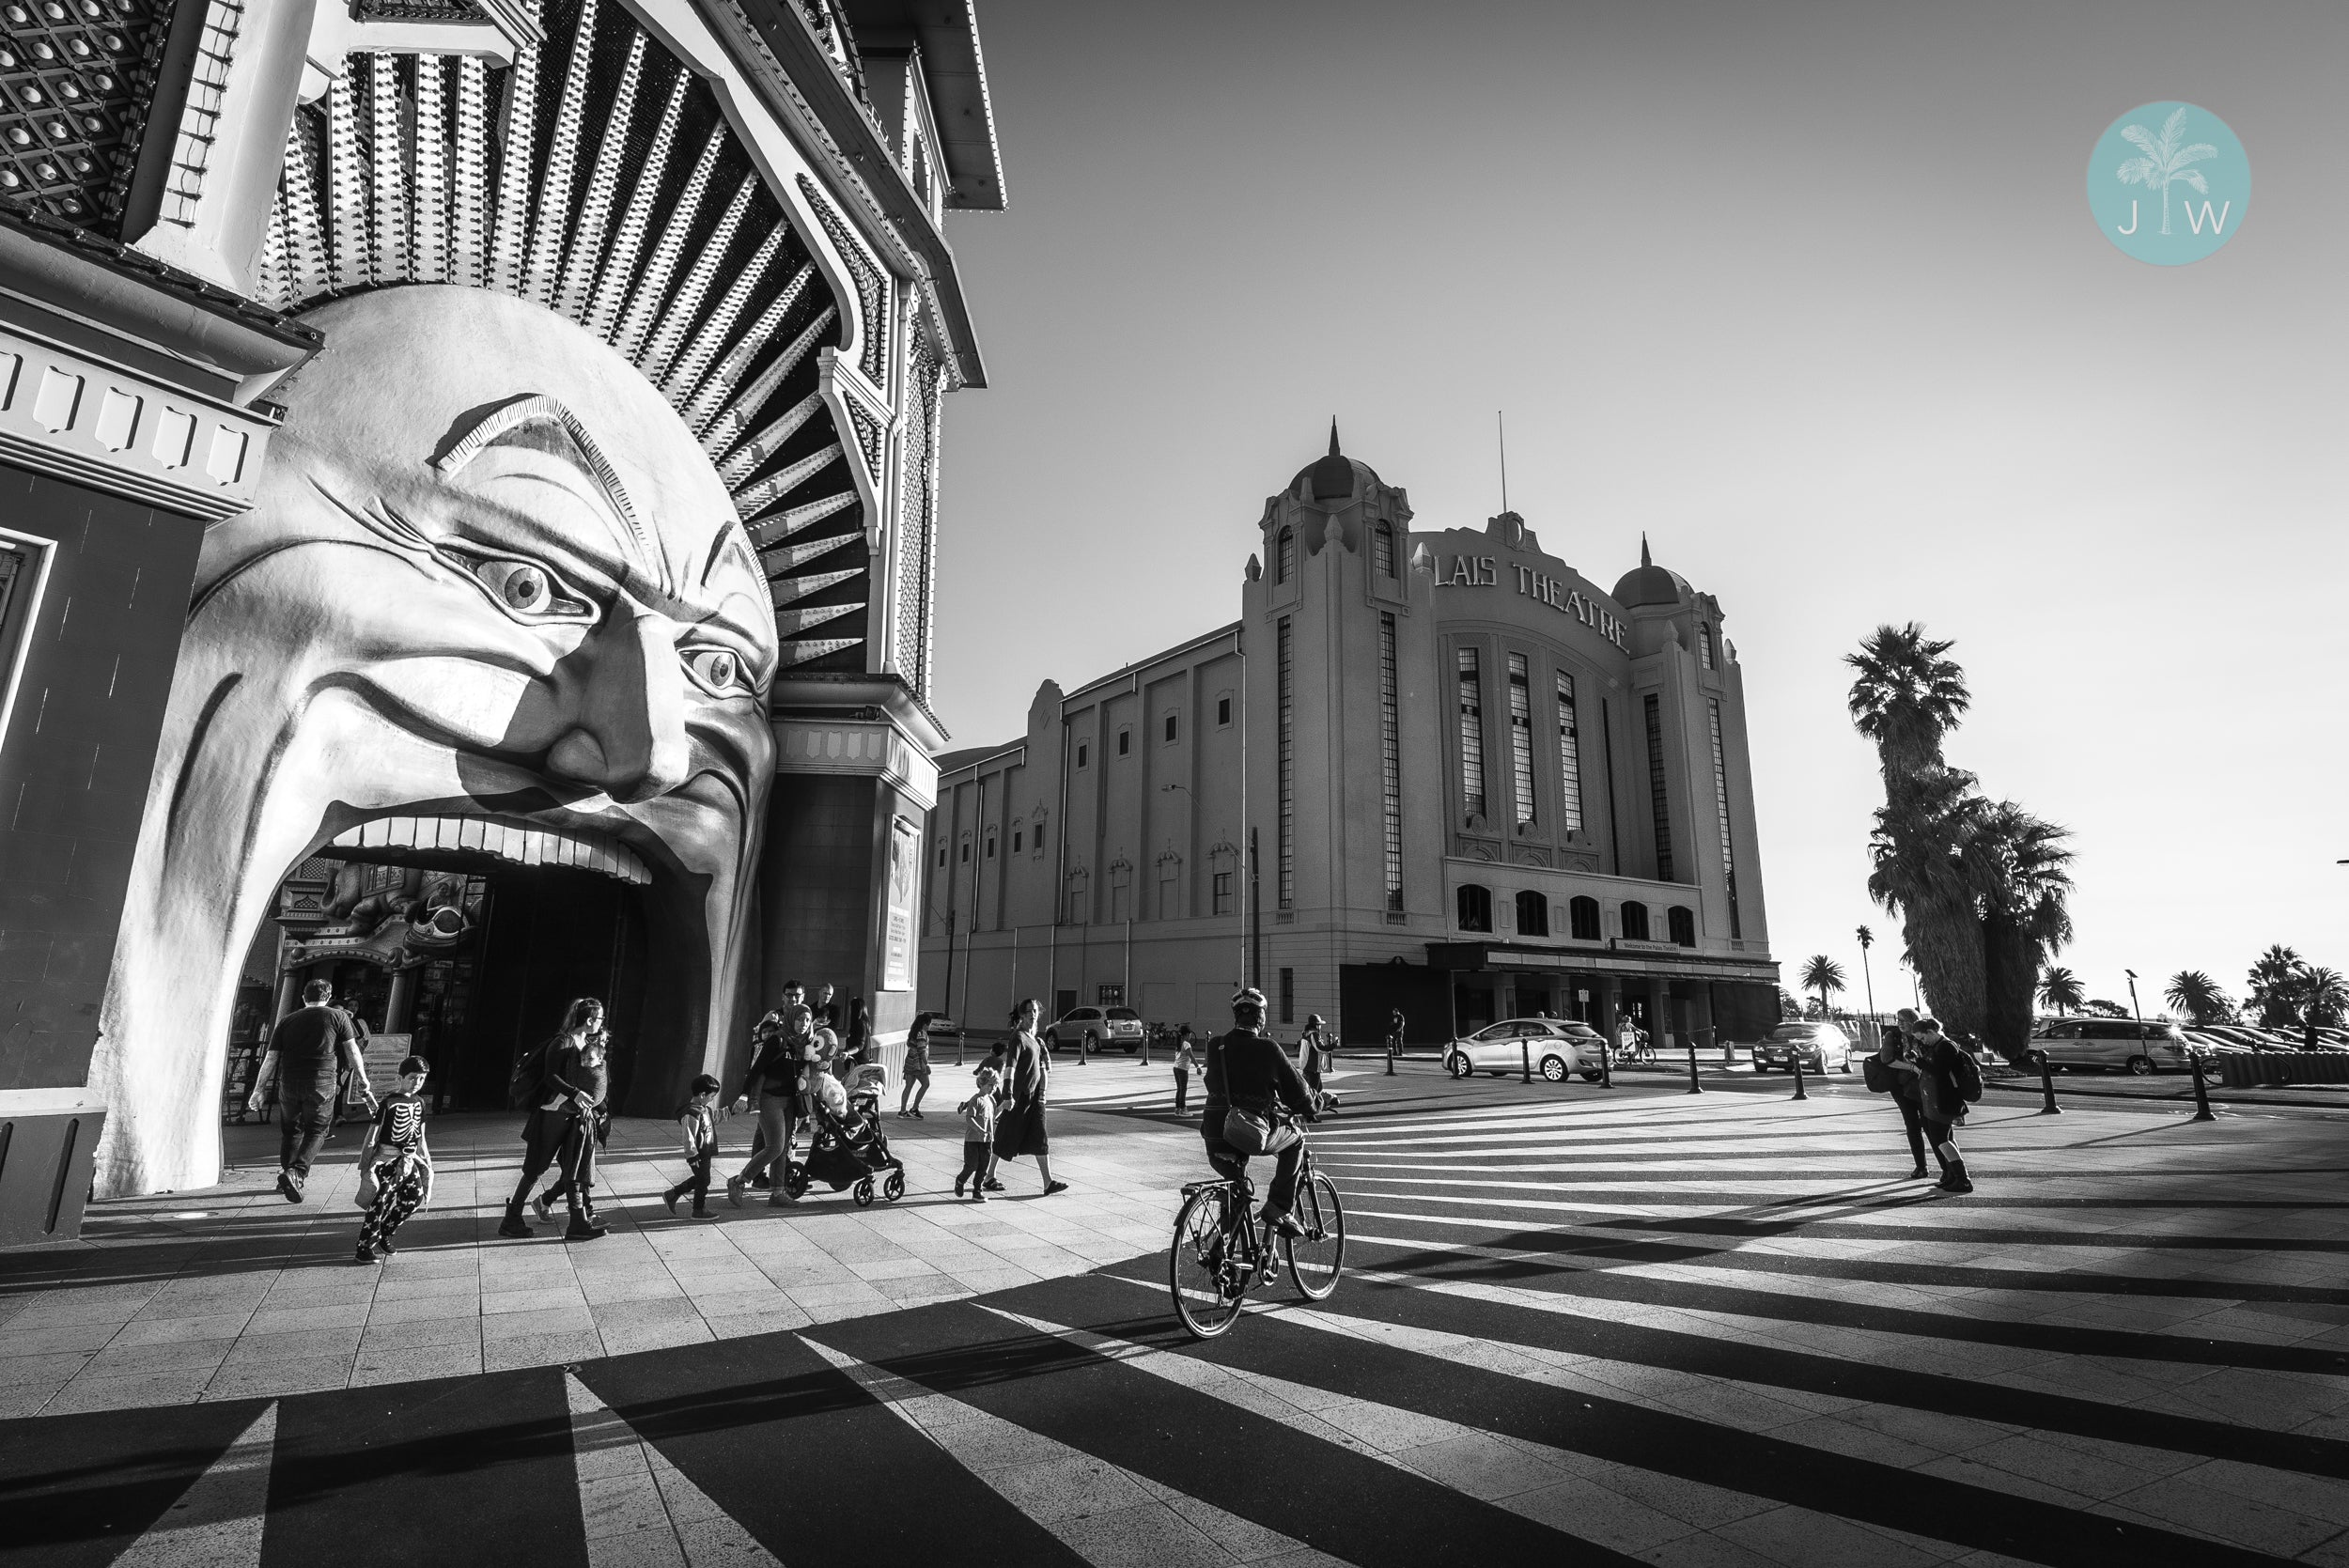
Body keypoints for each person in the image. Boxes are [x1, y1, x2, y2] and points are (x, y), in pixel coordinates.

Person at [1201, 986, 1317, 1235]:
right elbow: (1298, 1093)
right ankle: (1279, 1206)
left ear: (1236, 1016)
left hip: (1214, 1134)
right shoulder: (1268, 1049)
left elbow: (1212, 1083)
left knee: (1238, 1189)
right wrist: (1317, 1103)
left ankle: (1223, 1251)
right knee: (1295, 1141)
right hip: (1248, 1131)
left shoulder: (1216, 1046)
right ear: (1260, 1018)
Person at [248, 978, 374, 1203]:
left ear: (304, 997)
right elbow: (352, 1050)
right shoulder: (338, 1017)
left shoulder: (287, 1020)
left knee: (291, 1131)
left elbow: (271, 1057)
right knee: (317, 1130)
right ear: (328, 996)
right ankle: (297, 1172)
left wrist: (259, 1088)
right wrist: (363, 1078)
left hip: (290, 1081)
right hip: (322, 1080)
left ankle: (285, 1178)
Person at [500, 998, 608, 1241]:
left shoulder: (586, 1042)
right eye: (600, 1018)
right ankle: (512, 1218)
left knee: (574, 1167)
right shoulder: (563, 1041)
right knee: (536, 1167)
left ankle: (578, 1222)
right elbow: (550, 1077)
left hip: (574, 1115)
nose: (601, 1022)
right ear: (589, 1019)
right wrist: (575, 1093)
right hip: (552, 1115)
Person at [728, 1004, 817, 1206]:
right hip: (769, 1099)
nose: (803, 1024)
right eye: (799, 1019)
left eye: (807, 1020)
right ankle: (739, 1181)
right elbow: (756, 1068)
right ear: (791, 1019)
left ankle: (777, 1194)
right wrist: (744, 1095)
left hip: (791, 1100)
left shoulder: (805, 1044)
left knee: (783, 1148)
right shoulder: (777, 1039)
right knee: (775, 1147)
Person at [353, 1055, 432, 1263]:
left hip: (409, 1159)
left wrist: (427, 1164)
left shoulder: (420, 1103)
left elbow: (421, 1136)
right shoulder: (388, 1103)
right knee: (379, 1203)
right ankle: (364, 1247)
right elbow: (372, 1135)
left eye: (422, 1079)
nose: (417, 1083)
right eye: (413, 1078)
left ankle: (386, 1232)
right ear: (401, 1077)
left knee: (414, 1199)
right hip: (387, 1160)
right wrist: (366, 1164)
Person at [1890, 1017, 1974, 1194]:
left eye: (1922, 1038)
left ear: (1931, 1031)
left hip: (1944, 1099)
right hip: (1936, 1099)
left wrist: (1918, 1062)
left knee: (1941, 1138)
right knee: (1945, 1138)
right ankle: (1952, 1176)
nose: (1922, 1042)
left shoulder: (1946, 1046)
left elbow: (1939, 1071)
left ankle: (1963, 1179)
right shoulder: (1938, 1046)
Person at [991, 999, 1066, 1196]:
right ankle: (989, 1175)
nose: (1033, 1014)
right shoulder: (1018, 1037)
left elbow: (1041, 1067)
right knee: (1006, 1135)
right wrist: (1007, 1094)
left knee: (1040, 1137)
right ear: (1022, 1015)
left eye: (1035, 1011)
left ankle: (1048, 1182)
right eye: (1029, 1011)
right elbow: (1010, 1067)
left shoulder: (1035, 1039)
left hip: (1035, 1098)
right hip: (1019, 1097)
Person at [1870, 1007, 1930, 1178]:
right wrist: (1911, 1067)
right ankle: (1921, 1166)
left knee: (1930, 1124)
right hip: (1901, 1087)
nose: (1900, 1023)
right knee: (1912, 1125)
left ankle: (1948, 1168)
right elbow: (1886, 1059)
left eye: (1904, 1020)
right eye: (1898, 1019)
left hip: (1924, 1086)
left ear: (1914, 1021)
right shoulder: (1893, 1036)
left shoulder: (1923, 1035)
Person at [662, 1073, 725, 1218]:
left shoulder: (704, 1109)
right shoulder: (691, 1113)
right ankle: (698, 1210)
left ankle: (673, 1194)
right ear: (703, 1095)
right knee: (703, 1181)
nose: (712, 1100)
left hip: (706, 1152)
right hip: (698, 1155)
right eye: (712, 1097)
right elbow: (688, 1136)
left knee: (703, 1179)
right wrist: (692, 1155)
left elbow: (715, 1117)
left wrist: (732, 1111)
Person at [955, 1066, 1000, 1200]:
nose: (992, 1088)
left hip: (987, 1139)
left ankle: (977, 1191)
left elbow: (994, 1115)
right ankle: (961, 1180)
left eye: (995, 1085)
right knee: (972, 1165)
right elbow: (969, 1118)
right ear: (981, 1083)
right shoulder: (976, 1099)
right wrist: (979, 1129)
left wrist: (1003, 1107)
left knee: (983, 1167)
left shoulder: (991, 1100)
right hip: (973, 1139)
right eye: (990, 1085)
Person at [900, 1011, 942, 1118]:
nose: (929, 1026)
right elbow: (922, 1050)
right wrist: (927, 1064)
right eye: (929, 1024)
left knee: (908, 1086)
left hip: (909, 1062)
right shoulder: (922, 1033)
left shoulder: (914, 1032)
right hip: (918, 1063)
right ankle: (914, 1109)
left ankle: (902, 1111)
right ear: (925, 1024)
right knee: (926, 1084)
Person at [1297, 1013, 1333, 1106]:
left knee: (1318, 1088)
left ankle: (1318, 1105)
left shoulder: (1305, 1033)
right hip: (1312, 1067)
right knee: (1314, 1090)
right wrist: (1332, 1046)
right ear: (1316, 1025)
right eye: (1319, 1025)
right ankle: (1309, 1112)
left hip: (1306, 1065)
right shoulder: (1314, 1034)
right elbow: (1319, 1048)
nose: (1320, 1027)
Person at [1174, 1027, 1197, 1115]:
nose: (1190, 1036)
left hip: (1176, 1067)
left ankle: (1177, 1109)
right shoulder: (1186, 1044)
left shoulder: (1179, 1042)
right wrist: (1197, 1067)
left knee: (1179, 1089)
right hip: (1182, 1069)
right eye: (1190, 1034)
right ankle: (1183, 1109)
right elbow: (1191, 1056)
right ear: (1187, 1034)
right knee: (1183, 1089)